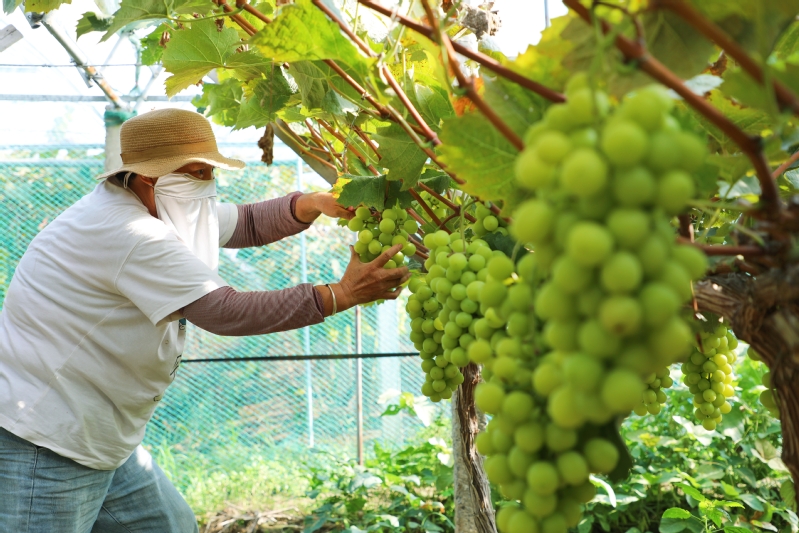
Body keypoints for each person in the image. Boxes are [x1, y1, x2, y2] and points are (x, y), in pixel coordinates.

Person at [0, 108, 410, 532]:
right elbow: (225, 311)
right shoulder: (130, 232)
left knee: (172, 526)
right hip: (45, 437)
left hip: (96, 431)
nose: (209, 183)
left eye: (211, 171)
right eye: (199, 172)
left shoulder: (156, 206)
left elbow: (246, 222)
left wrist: (313, 204)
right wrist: (341, 294)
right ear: (150, 177)